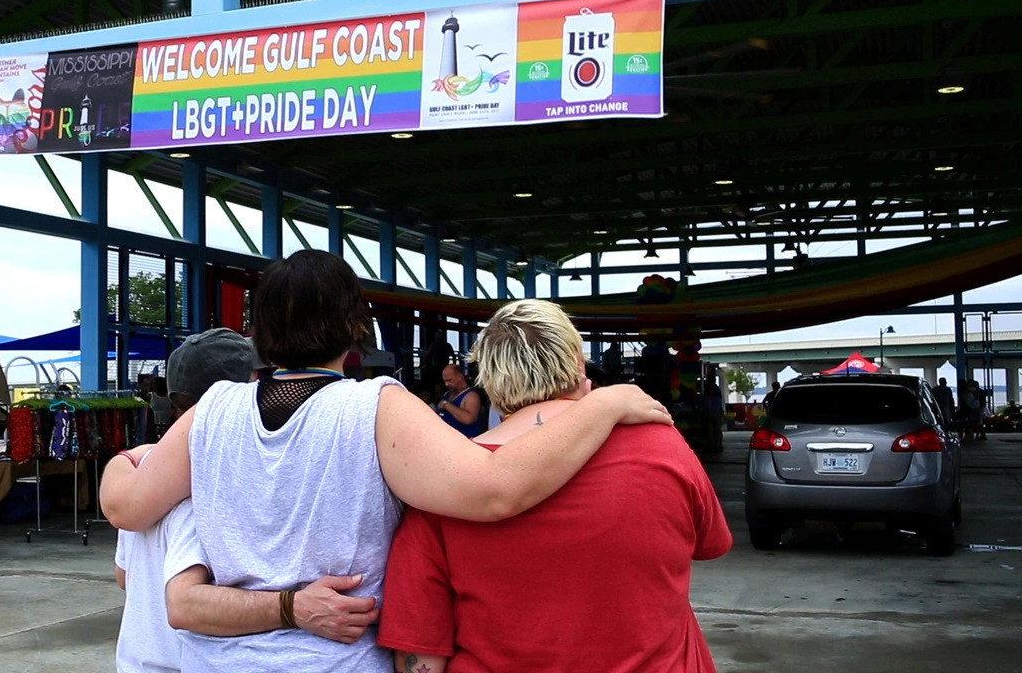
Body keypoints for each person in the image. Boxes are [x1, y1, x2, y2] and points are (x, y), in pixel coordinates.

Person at [100, 250, 670, 673]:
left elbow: (126, 507)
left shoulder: (212, 410)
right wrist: (602, 405)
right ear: (355, 327)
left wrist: (127, 457)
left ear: (258, 332)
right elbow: (497, 489)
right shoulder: (374, 406)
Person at [379, 299, 733, 673]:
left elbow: (421, 659)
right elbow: (711, 544)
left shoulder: (446, 486)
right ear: (579, 365)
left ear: (491, 383)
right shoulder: (664, 446)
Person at [114, 328, 368, 672]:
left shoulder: (142, 477)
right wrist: (293, 606)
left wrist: (121, 461)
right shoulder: (203, 489)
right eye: (260, 381)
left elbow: (124, 576)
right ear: (233, 393)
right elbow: (184, 604)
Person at [436, 364, 483, 437]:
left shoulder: (471, 396)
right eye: (445, 381)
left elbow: (469, 419)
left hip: (464, 440)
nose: (446, 384)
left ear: (459, 377)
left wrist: (446, 405)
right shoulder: (447, 394)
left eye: (449, 380)